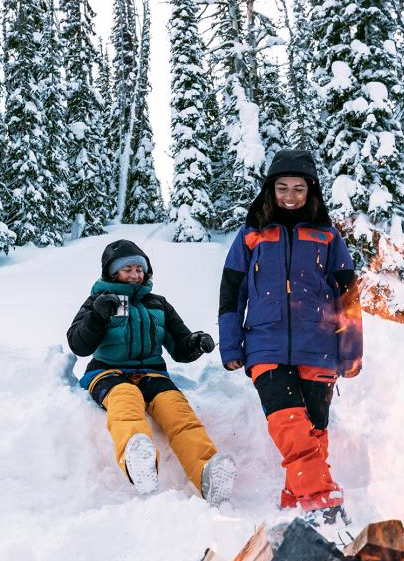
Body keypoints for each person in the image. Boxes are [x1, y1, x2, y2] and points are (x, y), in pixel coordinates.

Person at [218, 149, 363, 525]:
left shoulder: (327, 236)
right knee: (289, 425)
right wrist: (230, 344)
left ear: (310, 191)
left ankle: (297, 504)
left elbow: (348, 295)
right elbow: (232, 291)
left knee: (314, 431)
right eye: (282, 187)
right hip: (264, 345)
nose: (290, 196)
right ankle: (322, 503)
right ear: (270, 189)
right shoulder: (251, 234)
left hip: (319, 346)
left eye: (298, 188)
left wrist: (351, 348)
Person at [68, 239, 236, 504]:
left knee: (177, 410)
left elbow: (179, 345)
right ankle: (137, 461)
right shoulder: (99, 302)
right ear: (112, 272)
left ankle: (207, 473)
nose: (135, 275)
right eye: (127, 269)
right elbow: (79, 345)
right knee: (125, 399)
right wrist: (97, 316)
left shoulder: (157, 304)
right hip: (107, 373)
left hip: (152, 374)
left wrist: (194, 343)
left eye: (139, 269)